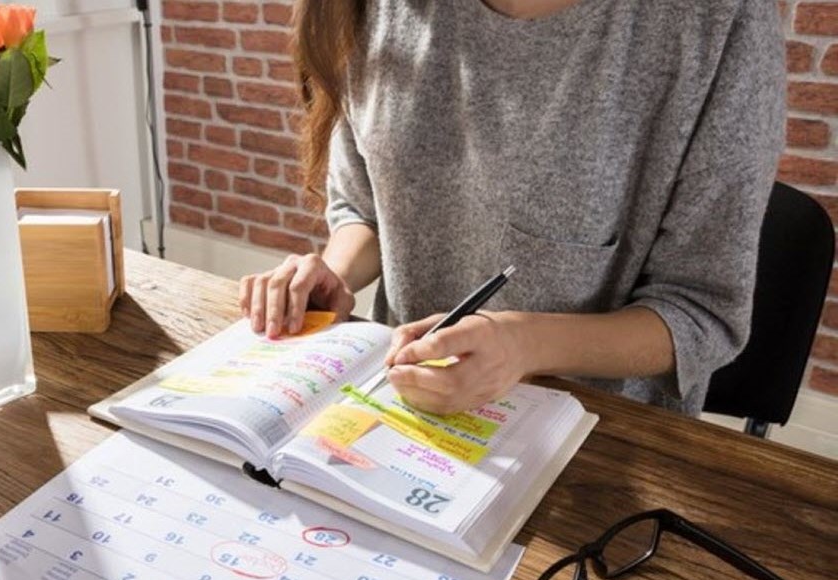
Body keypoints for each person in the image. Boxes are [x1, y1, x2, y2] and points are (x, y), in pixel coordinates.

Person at [238, 0, 785, 416]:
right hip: (400, 411)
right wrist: (334, 273)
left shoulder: (717, 21)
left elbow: (701, 312)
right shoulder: (377, 9)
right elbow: (366, 207)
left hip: (595, 442)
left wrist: (521, 346)